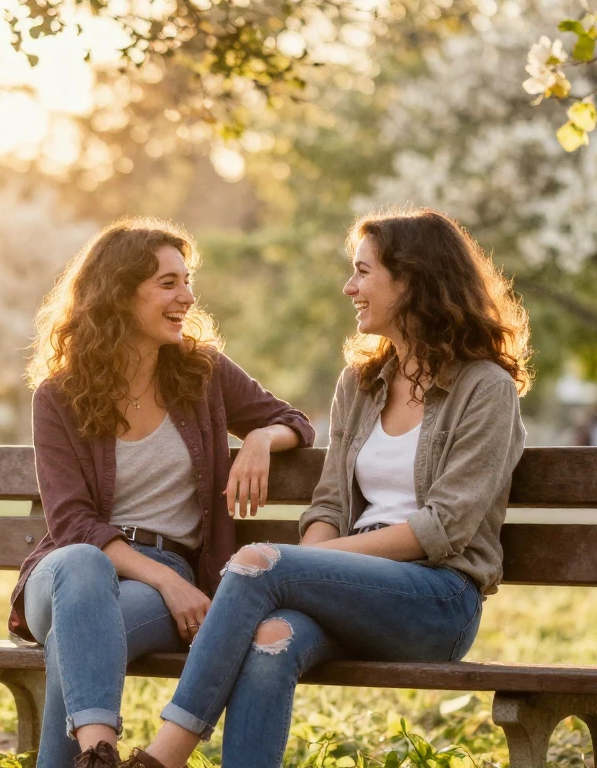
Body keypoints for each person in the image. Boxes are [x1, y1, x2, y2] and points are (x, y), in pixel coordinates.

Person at [121, 209, 532, 768]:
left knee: (256, 562)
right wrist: (309, 566)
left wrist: (305, 564)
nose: (350, 287)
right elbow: (331, 503)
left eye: (363, 272)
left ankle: (163, 757)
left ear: (411, 280)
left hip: (436, 599)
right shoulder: (361, 383)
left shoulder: (485, 388)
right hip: (350, 589)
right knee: (271, 640)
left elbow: (445, 527)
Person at [13, 218, 315, 768]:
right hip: (69, 575)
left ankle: (94, 756)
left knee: (71, 645)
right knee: (81, 566)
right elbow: (72, 522)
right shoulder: (59, 396)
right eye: (168, 283)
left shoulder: (202, 374)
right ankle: (101, 753)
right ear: (119, 294)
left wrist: (260, 441)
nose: (187, 296)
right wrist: (169, 585)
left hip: (155, 579)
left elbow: (293, 420)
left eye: (187, 280)